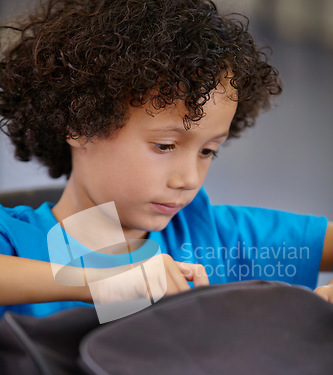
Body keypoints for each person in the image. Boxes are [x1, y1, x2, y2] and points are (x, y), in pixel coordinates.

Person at [0, 0, 332, 320]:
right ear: (80, 124)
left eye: (207, 151)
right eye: (164, 146)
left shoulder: (217, 237)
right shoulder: (14, 239)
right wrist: (99, 280)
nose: (188, 179)